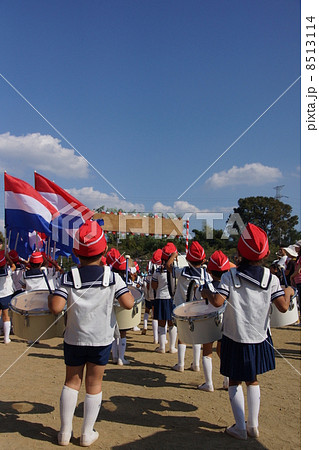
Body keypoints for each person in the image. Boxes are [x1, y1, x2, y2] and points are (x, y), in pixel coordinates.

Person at [202, 223, 294, 440]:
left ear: (240, 251)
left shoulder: (230, 276)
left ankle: (240, 429)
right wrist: (288, 292)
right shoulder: (272, 278)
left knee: (234, 380)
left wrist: (206, 292)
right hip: (260, 338)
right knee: (252, 379)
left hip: (235, 336)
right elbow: (282, 307)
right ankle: (252, 426)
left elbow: (217, 301)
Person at [48, 220, 134, 447]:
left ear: (76, 252)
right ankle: (87, 434)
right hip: (101, 341)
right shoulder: (113, 277)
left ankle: (64, 433)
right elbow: (128, 303)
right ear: (104, 251)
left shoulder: (68, 277)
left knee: (71, 382)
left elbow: (56, 307)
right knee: (94, 385)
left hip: (74, 339)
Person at [166, 241, 207, 373]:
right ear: (203, 259)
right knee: (197, 336)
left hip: (181, 308)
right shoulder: (206, 275)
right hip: (198, 309)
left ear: (188, 259)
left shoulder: (182, 271)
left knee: (182, 335)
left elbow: (168, 266)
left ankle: (181, 364)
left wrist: (173, 255)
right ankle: (196, 364)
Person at [198, 250, 231, 392]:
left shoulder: (206, 286)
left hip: (209, 321)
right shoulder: (231, 285)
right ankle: (227, 380)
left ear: (210, 271)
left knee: (207, 350)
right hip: (227, 321)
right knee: (223, 351)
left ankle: (208, 383)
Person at [151, 242, 178, 354]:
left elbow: (154, 285)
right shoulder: (177, 270)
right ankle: (172, 347)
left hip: (160, 298)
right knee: (172, 323)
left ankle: (162, 347)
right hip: (172, 299)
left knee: (162, 323)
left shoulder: (158, 270)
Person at [0, 250, 16, 344]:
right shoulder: (7, 271)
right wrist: (8, 258)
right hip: (5, 295)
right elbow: (13, 266)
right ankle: (6, 338)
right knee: (6, 316)